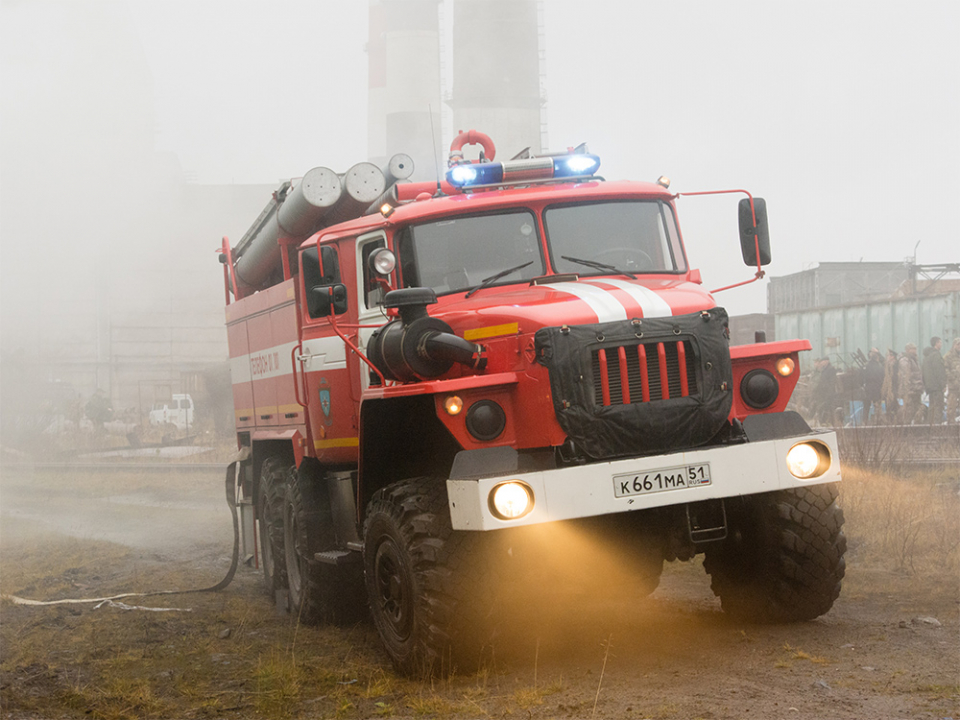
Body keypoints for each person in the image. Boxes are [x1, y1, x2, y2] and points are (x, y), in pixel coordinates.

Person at [922, 336, 947, 424]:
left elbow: (923, 373)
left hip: (930, 387)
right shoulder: (936, 355)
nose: (941, 344)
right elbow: (939, 371)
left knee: (931, 408)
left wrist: (926, 386)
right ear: (936, 343)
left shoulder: (926, 356)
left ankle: (930, 427)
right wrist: (943, 385)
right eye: (940, 342)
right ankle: (937, 429)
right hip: (937, 387)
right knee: (938, 407)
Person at [898, 343, 924, 425]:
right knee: (909, 409)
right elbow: (906, 375)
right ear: (908, 350)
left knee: (918, 408)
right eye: (913, 349)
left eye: (915, 349)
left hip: (916, 389)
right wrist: (909, 387)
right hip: (909, 390)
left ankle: (917, 426)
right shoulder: (905, 360)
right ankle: (906, 427)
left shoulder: (914, 360)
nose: (915, 351)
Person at [812, 357, 838, 426]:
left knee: (829, 409)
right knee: (824, 408)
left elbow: (831, 382)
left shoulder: (830, 369)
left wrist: (828, 392)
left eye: (822, 361)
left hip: (828, 393)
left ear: (827, 361)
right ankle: (825, 422)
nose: (821, 363)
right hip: (823, 393)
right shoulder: (825, 369)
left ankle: (830, 423)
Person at [863, 348, 884, 424]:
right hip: (877, 388)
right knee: (877, 406)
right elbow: (883, 376)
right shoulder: (880, 366)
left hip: (868, 388)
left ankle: (864, 422)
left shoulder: (867, 365)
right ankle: (878, 422)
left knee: (866, 406)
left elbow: (863, 377)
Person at [880, 348, 899, 421]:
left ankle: (892, 419)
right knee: (889, 404)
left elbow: (894, 378)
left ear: (892, 356)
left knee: (892, 404)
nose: (887, 357)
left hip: (892, 388)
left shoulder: (895, 366)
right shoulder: (887, 365)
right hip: (888, 388)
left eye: (888, 355)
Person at [945, 337, 960, 425]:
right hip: (953, 385)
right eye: (958, 344)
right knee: (951, 404)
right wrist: (953, 380)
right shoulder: (949, 356)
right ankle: (951, 423)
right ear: (954, 345)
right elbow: (946, 370)